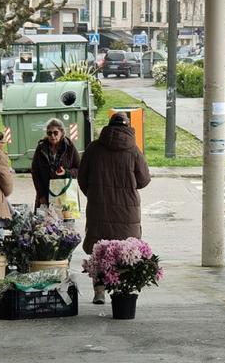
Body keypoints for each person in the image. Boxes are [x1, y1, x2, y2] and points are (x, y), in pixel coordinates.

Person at [78, 112, 150, 305]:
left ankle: (99, 291)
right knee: (125, 250)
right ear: (128, 127)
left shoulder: (93, 148)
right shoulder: (134, 150)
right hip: (127, 211)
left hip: (98, 208)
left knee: (100, 251)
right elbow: (144, 180)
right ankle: (121, 292)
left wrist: (95, 194)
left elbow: (82, 178)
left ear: (108, 126)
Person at [31, 118, 80, 211]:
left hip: (65, 195)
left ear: (62, 132)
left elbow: (79, 168)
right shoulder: (41, 147)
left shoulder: (69, 147)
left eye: (55, 132)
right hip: (45, 193)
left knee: (65, 223)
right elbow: (35, 172)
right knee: (44, 223)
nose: (52, 136)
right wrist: (41, 194)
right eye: (49, 133)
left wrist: (66, 172)